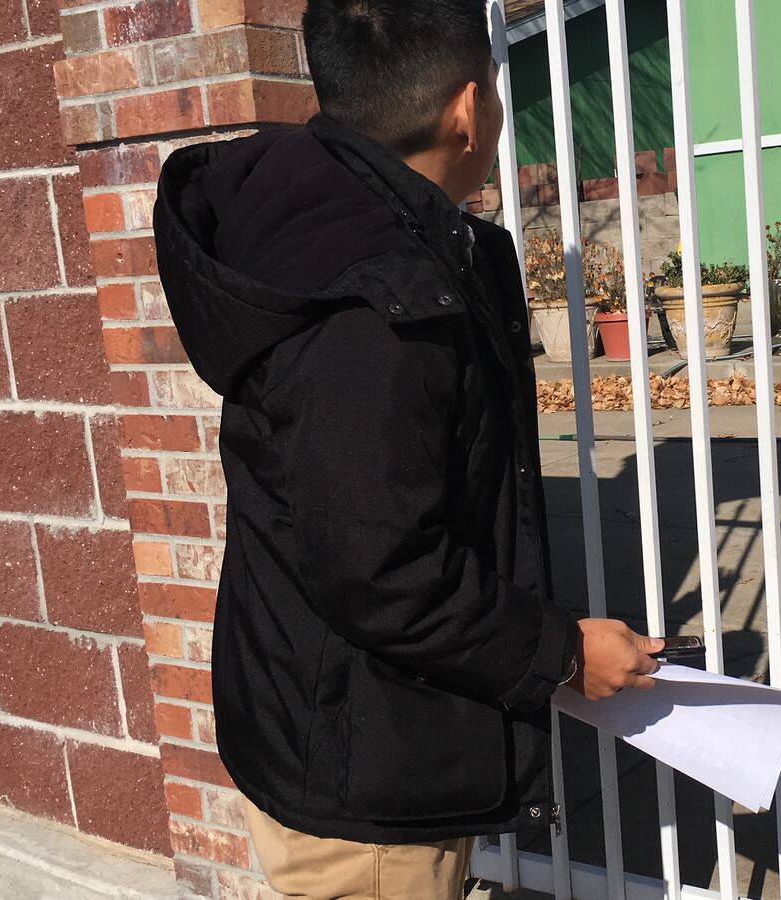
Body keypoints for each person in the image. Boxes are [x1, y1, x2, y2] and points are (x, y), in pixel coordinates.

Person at [152, 1, 663, 896]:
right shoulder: (375, 305)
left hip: (345, 726)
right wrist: (559, 653)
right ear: (468, 110)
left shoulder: (324, 216)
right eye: (500, 91)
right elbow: (379, 568)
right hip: (367, 789)